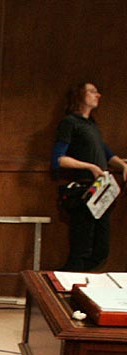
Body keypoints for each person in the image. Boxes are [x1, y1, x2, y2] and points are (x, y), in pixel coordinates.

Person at [51, 82, 127, 272]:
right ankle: (62, 283)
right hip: (84, 194)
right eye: (92, 91)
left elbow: (107, 153)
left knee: (100, 251)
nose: (98, 95)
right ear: (79, 95)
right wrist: (90, 166)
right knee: (81, 251)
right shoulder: (70, 122)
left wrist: (123, 166)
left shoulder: (91, 125)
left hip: (102, 193)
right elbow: (58, 159)